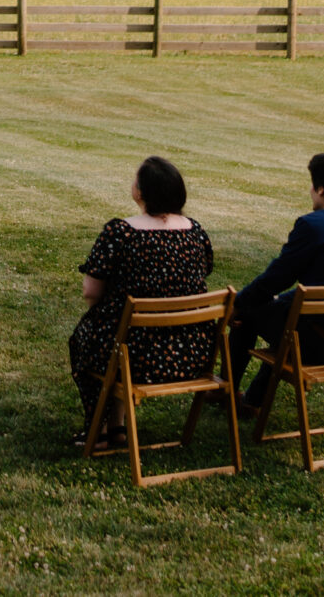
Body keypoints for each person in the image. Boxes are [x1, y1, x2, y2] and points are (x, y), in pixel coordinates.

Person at [68, 154, 215, 450]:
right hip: (192, 354)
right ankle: (116, 428)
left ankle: (98, 430)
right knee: (118, 337)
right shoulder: (196, 232)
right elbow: (204, 271)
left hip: (136, 358)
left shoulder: (121, 232)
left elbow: (91, 292)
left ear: (141, 192)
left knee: (94, 339)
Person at [227, 151, 324, 412]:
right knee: (285, 315)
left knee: (249, 312)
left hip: (313, 345)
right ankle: (255, 399)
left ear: (321, 189)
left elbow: (275, 279)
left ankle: (228, 390)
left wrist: (238, 303)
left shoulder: (314, 225)